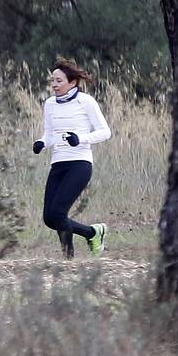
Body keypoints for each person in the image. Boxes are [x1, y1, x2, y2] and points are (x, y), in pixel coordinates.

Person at [33, 58, 111, 258]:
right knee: (50, 218)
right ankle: (92, 233)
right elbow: (49, 134)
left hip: (80, 164)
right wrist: (42, 143)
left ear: (72, 82)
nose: (54, 85)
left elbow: (105, 132)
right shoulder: (50, 104)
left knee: (58, 213)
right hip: (58, 164)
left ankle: (68, 257)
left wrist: (81, 139)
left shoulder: (86, 101)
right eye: (52, 81)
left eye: (59, 81)